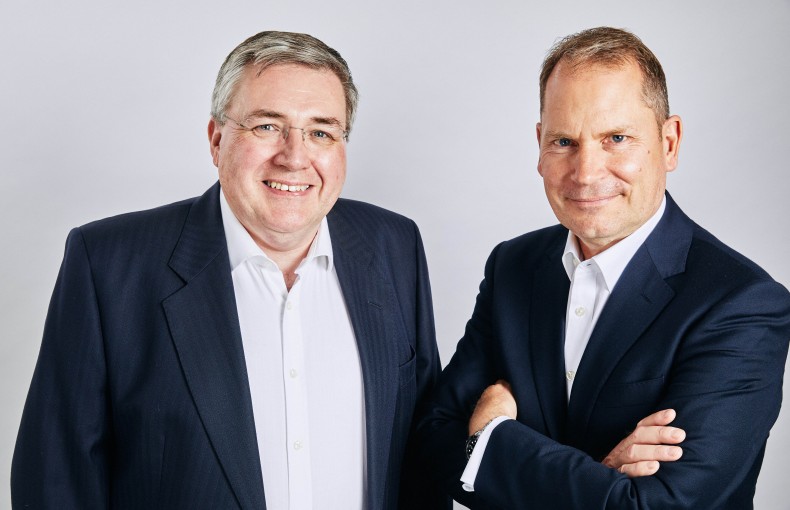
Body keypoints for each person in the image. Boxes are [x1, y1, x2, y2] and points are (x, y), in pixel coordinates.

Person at [12, 31, 447, 510]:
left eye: (321, 132)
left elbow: (423, 456)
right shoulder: (109, 265)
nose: (294, 157)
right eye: (267, 126)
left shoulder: (394, 246)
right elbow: (56, 477)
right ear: (217, 140)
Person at [418, 26, 790, 509]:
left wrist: (492, 436)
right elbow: (433, 440)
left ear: (669, 143)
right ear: (539, 145)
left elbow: (661, 505)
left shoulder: (743, 305)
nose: (586, 172)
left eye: (616, 138)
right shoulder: (513, 266)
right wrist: (602, 477)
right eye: (564, 141)